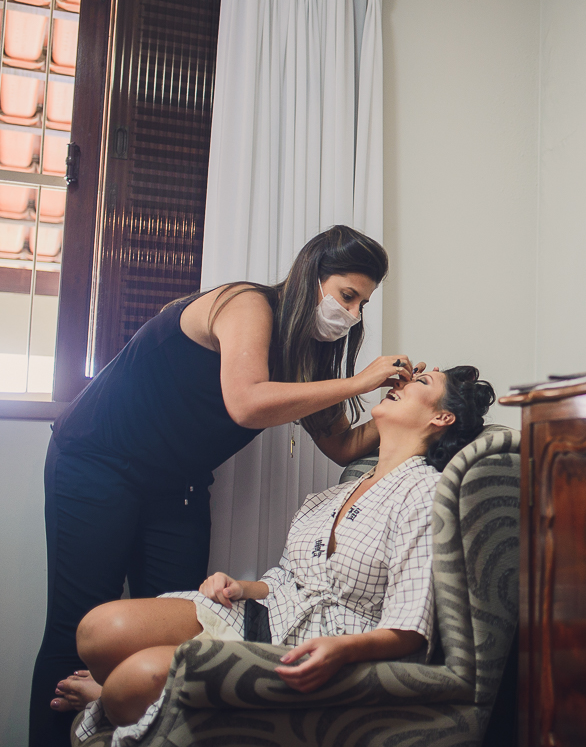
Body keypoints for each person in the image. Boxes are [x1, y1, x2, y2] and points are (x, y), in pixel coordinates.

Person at [31, 225, 421, 747]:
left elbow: (344, 445)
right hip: (99, 460)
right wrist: (360, 382)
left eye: (363, 305)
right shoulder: (246, 306)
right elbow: (246, 401)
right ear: (311, 277)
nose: (352, 315)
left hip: (178, 484)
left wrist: (406, 410)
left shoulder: (308, 355)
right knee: (76, 626)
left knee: (176, 627)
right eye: (347, 296)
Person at [67, 366, 494, 742]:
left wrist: (344, 651)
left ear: (442, 417)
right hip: (266, 614)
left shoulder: (425, 492)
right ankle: (124, 695)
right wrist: (242, 586)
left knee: (133, 682)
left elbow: (410, 628)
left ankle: (111, 699)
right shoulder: (334, 494)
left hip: (315, 648)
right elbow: (288, 577)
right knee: (98, 630)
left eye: (420, 381)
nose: (401, 381)